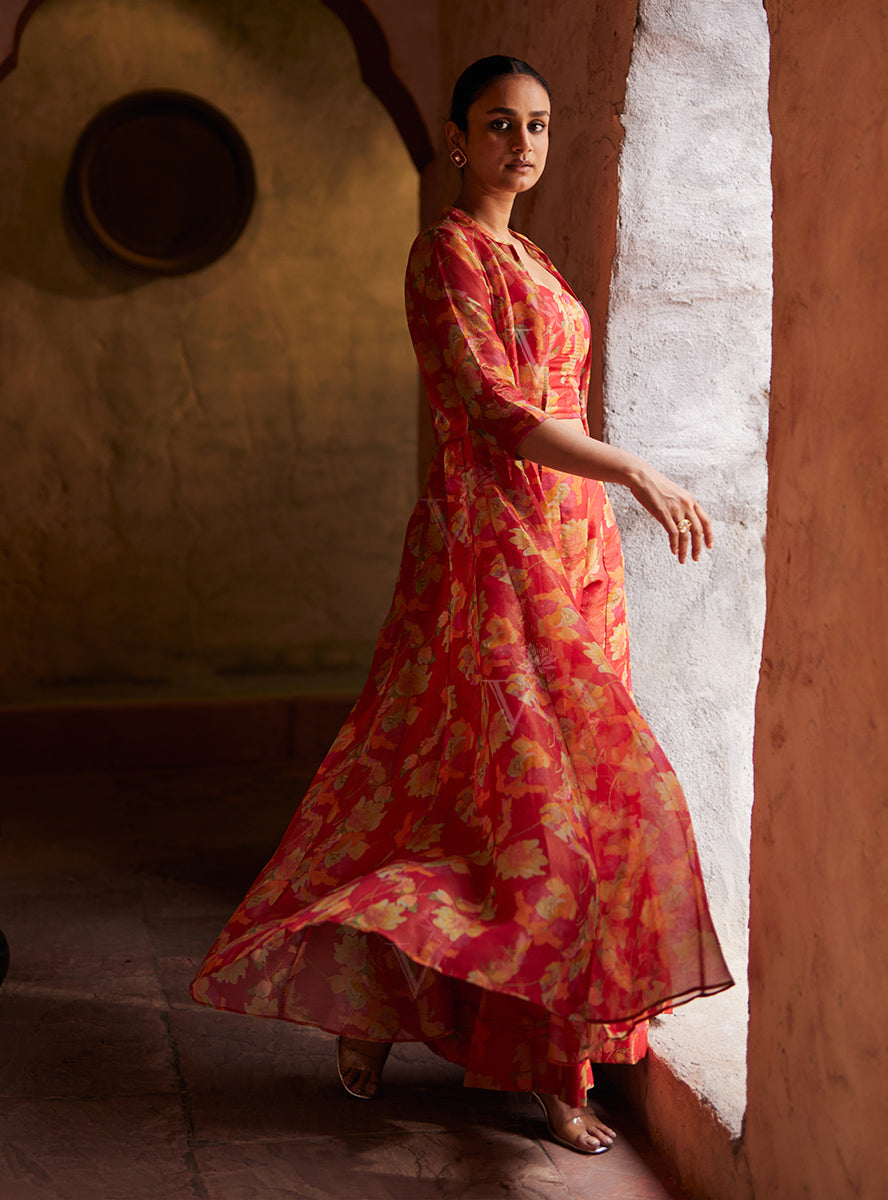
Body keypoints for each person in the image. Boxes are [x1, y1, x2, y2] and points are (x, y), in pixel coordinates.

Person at [190, 54, 733, 1158]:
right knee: (508, 809)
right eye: (499, 124)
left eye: (537, 125)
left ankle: (542, 1059)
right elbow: (494, 411)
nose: (523, 144)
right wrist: (634, 471)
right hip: (490, 554)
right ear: (456, 139)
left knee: (522, 808)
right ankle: (403, 1017)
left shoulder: (527, 253)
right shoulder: (445, 255)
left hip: (571, 555)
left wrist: (601, 508)